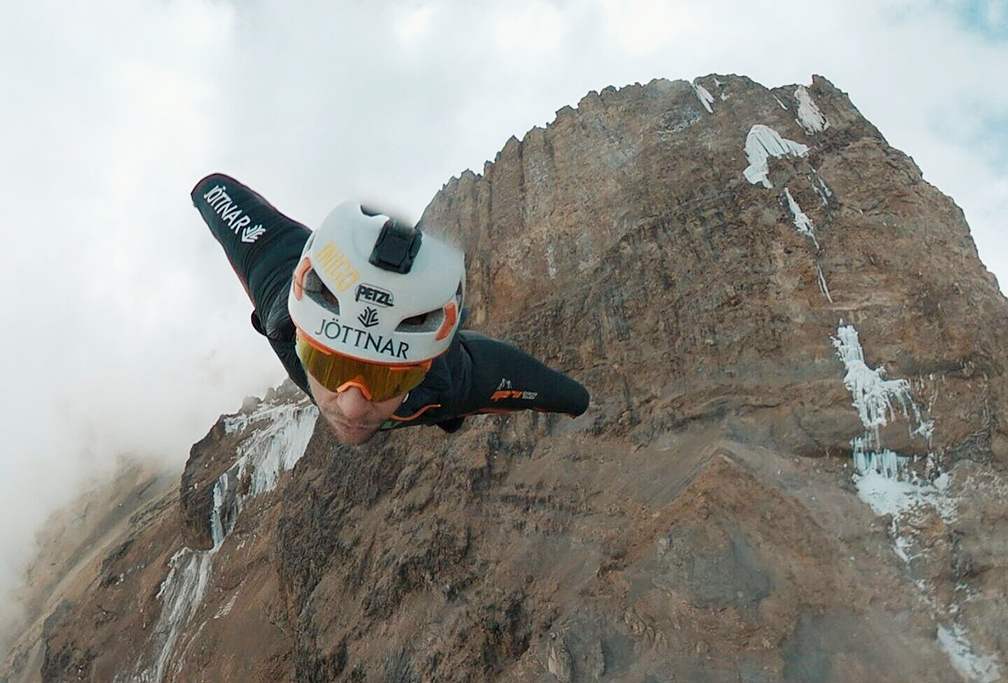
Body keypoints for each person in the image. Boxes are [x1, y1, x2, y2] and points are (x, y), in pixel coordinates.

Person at [192, 173, 590, 444]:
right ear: (300, 332)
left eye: (385, 381)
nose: (351, 405)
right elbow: (221, 200)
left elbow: (217, 195)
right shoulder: (279, 275)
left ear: (422, 371)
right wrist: (206, 188)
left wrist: (207, 188)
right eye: (330, 365)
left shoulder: (450, 382)